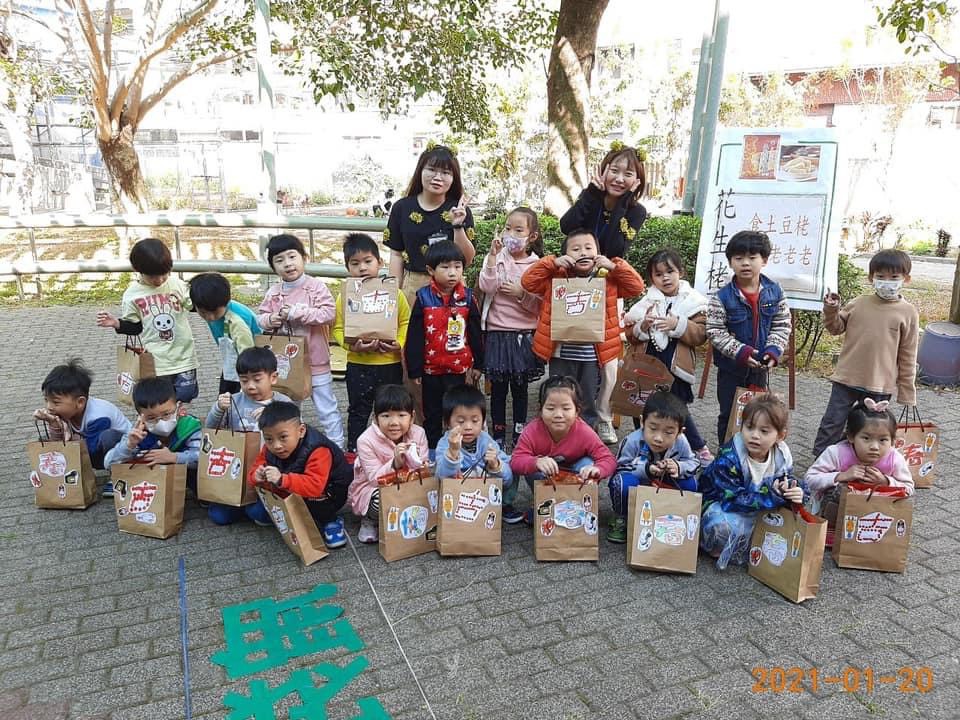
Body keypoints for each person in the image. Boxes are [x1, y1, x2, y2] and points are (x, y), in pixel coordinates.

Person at [522, 228, 645, 442]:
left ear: (598, 252)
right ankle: (557, 433)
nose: (583, 253)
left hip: (592, 354)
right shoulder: (556, 276)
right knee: (559, 392)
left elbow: (636, 287)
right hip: (560, 352)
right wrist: (552, 263)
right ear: (566, 254)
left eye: (588, 248)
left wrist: (615, 267)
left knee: (588, 397)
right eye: (576, 249)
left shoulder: (607, 278)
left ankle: (585, 435)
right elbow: (528, 282)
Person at [812, 249, 918, 457]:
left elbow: (908, 355)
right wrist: (831, 309)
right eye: (880, 276)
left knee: (868, 430)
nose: (887, 282)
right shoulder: (858, 303)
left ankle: (857, 465)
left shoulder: (908, 312)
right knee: (832, 422)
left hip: (879, 385)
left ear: (906, 279)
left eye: (894, 277)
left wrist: (907, 391)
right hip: (846, 378)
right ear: (871, 278)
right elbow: (835, 328)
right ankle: (820, 463)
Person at [623, 248, 711, 462]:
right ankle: (644, 447)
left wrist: (678, 324)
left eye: (669, 271)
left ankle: (697, 448)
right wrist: (642, 326)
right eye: (658, 274)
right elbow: (630, 334)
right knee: (642, 406)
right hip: (645, 366)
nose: (665, 277)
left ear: (680, 272)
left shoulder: (694, 302)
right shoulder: (645, 303)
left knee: (677, 410)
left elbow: (701, 334)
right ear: (652, 278)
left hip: (676, 369)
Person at [257, 233, 344, 449]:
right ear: (273, 267)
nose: (287, 264)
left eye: (291, 256)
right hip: (287, 364)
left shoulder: (316, 287)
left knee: (326, 406)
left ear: (304, 257)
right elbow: (260, 318)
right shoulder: (274, 292)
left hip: (316, 361)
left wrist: (298, 313)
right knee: (288, 407)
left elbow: (328, 314)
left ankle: (337, 447)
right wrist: (271, 319)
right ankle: (292, 446)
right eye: (279, 260)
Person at [699, 394, 805, 569]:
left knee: (787, 524)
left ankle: (751, 544)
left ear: (780, 436)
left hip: (759, 505)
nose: (754, 436)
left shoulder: (781, 454)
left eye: (764, 431)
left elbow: (788, 478)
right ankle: (718, 548)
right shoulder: (730, 456)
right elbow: (733, 499)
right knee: (720, 527)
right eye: (749, 427)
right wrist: (773, 496)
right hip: (725, 505)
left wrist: (795, 490)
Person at [705, 230, 791, 445]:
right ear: (730, 262)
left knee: (759, 416)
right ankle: (726, 459)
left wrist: (773, 350)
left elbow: (782, 324)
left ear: (764, 260)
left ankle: (755, 457)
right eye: (739, 258)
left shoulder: (775, 291)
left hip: (760, 370)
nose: (745, 263)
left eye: (752, 258)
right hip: (731, 370)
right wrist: (740, 352)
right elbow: (715, 331)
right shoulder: (722, 297)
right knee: (729, 415)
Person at [332, 233, 410, 454]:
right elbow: (337, 329)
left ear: (380, 262)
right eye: (355, 264)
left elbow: (405, 321)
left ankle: (393, 451)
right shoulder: (344, 297)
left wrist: (399, 343)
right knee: (358, 410)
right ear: (347, 267)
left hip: (389, 364)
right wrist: (350, 346)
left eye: (368, 261)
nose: (362, 268)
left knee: (391, 411)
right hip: (358, 365)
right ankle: (355, 452)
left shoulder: (395, 294)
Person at [96, 237, 199, 404]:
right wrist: (117, 323)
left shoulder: (177, 284)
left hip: (184, 355)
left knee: (186, 394)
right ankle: (167, 423)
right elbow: (135, 327)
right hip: (156, 360)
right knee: (161, 400)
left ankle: (176, 417)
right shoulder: (132, 294)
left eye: (164, 274)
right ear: (137, 269)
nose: (159, 281)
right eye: (152, 277)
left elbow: (194, 307)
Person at [405, 240, 483, 448]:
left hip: (458, 368)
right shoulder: (423, 297)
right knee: (432, 412)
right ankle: (431, 450)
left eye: (457, 267)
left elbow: (475, 332)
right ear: (431, 270)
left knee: (458, 412)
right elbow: (414, 335)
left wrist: (479, 364)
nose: (452, 273)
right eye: (445, 267)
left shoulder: (467, 298)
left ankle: (459, 450)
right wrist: (415, 370)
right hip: (431, 370)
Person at [478, 206, 544, 449]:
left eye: (518, 230)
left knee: (520, 388)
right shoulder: (497, 257)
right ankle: (497, 434)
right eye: (507, 228)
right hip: (497, 333)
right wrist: (493, 257)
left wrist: (521, 294)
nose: (510, 235)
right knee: (497, 389)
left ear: (532, 237)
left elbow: (539, 306)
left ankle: (519, 431)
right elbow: (487, 285)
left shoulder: (537, 265)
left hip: (523, 336)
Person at [510, 376, 617, 524]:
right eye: (550, 408)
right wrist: (536, 461)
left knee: (588, 463)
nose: (558, 415)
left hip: (575, 475)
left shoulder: (584, 431)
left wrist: (598, 470)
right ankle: (545, 503)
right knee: (532, 466)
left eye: (566, 408)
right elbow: (515, 461)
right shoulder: (532, 430)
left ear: (577, 411)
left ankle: (577, 505)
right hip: (546, 478)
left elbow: (609, 459)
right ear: (540, 410)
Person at [806, 399, 914, 545]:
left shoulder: (894, 459)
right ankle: (832, 528)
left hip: (876, 513)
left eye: (883, 440)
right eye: (866, 438)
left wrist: (886, 481)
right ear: (851, 436)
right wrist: (841, 476)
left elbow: (909, 489)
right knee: (837, 491)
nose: (874, 447)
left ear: (893, 441)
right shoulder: (836, 453)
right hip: (840, 509)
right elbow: (809, 479)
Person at [248, 401, 352, 549]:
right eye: (269, 439)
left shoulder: (318, 449)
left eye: (283, 437)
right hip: (291, 487)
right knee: (256, 512)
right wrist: (256, 476)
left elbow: (315, 486)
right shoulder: (269, 448)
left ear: (301, 430)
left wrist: (282, 479)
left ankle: (331, 521)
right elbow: (255, 469)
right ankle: (299, 517)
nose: (276, 445)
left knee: (315, 501)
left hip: (329, 493)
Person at [384, 144, 476, 307]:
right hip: (413, 288)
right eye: (432, 169)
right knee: (411, 333)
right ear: (420, 170)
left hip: (452, 290)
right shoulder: (402, 208)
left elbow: (467, 260)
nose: (438, 177)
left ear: (454, 177)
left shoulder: (460, 210)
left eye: (446, 173)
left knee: (454, 333)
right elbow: (396, 255)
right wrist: (393, 296)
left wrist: (458, 226)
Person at [606, 390, 700, 543]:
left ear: (679, 432)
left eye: (668, 432)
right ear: (642, 422)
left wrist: (678, 466)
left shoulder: (681, 441)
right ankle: (621, 517)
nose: (658, 438)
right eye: (653, 428)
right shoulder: (632, 440)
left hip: (665, 483)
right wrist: (646, 470)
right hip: (638, 484)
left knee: (692, 483)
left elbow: (694, 463)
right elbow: (619, 469)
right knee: (621, 483)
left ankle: (674, 516)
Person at [103, 376, 206, 508]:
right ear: (140, 416)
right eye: (151, 418)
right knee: (114, 441)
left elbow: (203, 458)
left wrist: (174, 457)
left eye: (166, 414)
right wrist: (129, 445)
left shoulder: (189, 426)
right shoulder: (139, 432)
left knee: (196, 468)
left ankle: (201, 493)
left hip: (183, 472)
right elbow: (109, 464)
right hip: (151, 480)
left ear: (178, 407)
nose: (161, 421)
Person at [33, 359, 131, 492]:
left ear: (80, 402)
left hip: (128, 452)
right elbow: (59, 443)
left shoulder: (98, 415)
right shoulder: (68, 411)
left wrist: (67, 435)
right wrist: (54, 424)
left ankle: (120, 477)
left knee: (108, 437)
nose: (49, 407)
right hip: (98, 452)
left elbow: (88, 450)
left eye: (55, 403)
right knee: (46, 441)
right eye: (46, 401)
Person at [349, 384, 428, 544]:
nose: (394, 422)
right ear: (375, 419)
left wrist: (417, 462)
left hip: (409, 483)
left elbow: (424, 467)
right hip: (375, 487)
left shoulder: (418, 433)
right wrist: (395, 463)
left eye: (401, 415)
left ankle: (408, 517)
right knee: (379, 498)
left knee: (431, 489)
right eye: (386, 416)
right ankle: (370, 520)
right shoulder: (365, 440)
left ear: (412, 417)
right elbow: (373, 479)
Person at [435, 384, 514, 516]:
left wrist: (496, 465)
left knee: (513, 464)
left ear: (483, 422)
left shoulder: (486, 441)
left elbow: (508, 480)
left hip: (484, 501)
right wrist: (453, 453)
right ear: (447, 423)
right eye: (460, 421)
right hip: (457, 504)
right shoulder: (445, 444)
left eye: (475, 420)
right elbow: (441, 479)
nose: (468, 427)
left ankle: (505, 506)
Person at [559, 142, 648, 260]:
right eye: (614, 171)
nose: (619, 179)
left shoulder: (637, 212)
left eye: (628, 174)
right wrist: (590, 192)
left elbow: (615, 252)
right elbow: (566, 227)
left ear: (637, 179)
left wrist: (622, 205)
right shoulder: (591, 196)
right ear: (603, 171)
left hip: (607, 272)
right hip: (577, 267)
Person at [188, 272, 260, 395]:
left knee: (237, 399)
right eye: (203, 313)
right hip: (232, 361)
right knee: (225, 397)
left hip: (249, 361)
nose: (210, 317)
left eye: (214, 312)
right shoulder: (208, 304)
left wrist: (247, 384)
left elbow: (247, 353)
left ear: (227, 302)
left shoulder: (237, 322)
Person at [205, 346, 292, 431]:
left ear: (273, 377)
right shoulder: (233, 402)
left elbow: (295, 433)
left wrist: (273, 418)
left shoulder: (285, 403)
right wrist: (219, 408)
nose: (250, 386)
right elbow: (210, 428)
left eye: (257, 380)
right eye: (244, 380)